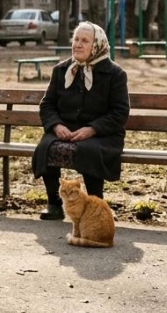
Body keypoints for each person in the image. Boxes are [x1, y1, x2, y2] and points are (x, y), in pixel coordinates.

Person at [32, 21, 130, 220]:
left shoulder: (115, 74)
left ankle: (96, 205)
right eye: (76, 39)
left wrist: (92, 129)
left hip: (102, 134)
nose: (77, 44)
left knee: (88, 150)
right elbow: (47, 105)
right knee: (46, 146)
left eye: (85, 41)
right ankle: (54, 204)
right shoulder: (62, 70)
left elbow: (120, 112)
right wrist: (56, 125)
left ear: (97, 45)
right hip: (65, 130)